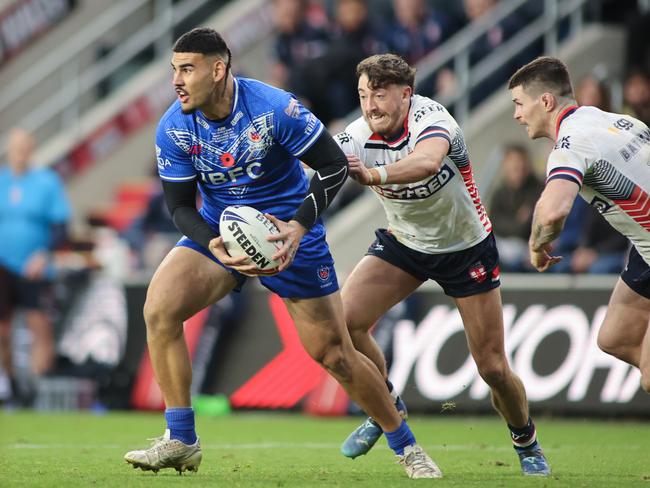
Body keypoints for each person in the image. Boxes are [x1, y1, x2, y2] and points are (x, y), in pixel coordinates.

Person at [123, 28, 440, 479]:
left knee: (335, 354)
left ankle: (405, 444)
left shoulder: (275, 109)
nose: (176, 80)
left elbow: (332, 165)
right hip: (221, 230)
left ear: (218, 69)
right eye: (174, 69)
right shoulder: (175, 125)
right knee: (159, 310)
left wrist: (297, 226)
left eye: (186, 69)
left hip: (290, 234)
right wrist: (211, 240)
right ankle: (181, 439)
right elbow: (177, 206)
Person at [334, 53, 550, 476]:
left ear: (406, 95)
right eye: (363, 95)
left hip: (465, 247)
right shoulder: (357, 134)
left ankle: (526, 441)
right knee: (343, 322)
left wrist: (374, 177)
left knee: (492, 366)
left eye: (379, 95)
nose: (370, 106)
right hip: (405, 245)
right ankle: (387, 406)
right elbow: (320, 163)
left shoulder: (434, 119)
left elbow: (428, 162)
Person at [508, 56, 650, 393]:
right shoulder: (616, 120)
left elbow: (553, 210)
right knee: (616, 336)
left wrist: (538, 247)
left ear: (546, 101)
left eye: (519, 103)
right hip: (645, 250)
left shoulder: (570, 143)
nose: (516, 115)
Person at [0, 128, 71, 405]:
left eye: (24, 147)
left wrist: (44, 255)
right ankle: (11, 384)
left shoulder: (46, 182)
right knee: (2, 329)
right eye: (15, 147)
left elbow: (61, 227)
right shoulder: (2, 181)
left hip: (34, 266)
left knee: (38, 324)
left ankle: (40, 387)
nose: (20, 153)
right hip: (2, 265)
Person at [488, 144, 544, 272]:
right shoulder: (500, 193)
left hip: (528, 248)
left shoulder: (538, 190)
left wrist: (512, 224)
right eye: (514, 167)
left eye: (521, 166)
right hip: (503, 246)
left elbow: (527, 228)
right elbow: (493, 224)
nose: (518, 170)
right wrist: (516, 222)